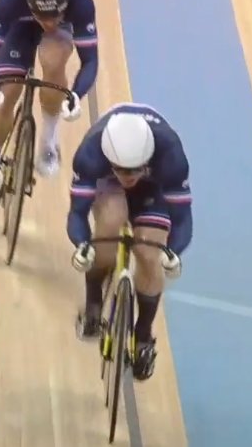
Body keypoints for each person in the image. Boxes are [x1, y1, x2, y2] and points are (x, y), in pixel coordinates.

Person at [67, 103, 193, 381]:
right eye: (123, 170)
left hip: (154, 187)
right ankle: (93, 303)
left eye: (135, 170)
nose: (129, 176)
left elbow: (183, 218)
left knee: (149, 252)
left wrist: (173, 253)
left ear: (147, 158)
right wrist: (82, 245)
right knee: (110, 224)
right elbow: (77, 213)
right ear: (110, 159)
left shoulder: (170, 153)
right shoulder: (91, 153)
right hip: (106, 184)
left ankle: (143, 335)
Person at [0, 0, 99, 211]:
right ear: (30, 5)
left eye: (56, 16)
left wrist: (76, 95)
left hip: (57, 31)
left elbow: (90, 60)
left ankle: (48, 140)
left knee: (54, 59)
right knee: (6, 94)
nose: (49, 23)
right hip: (18, 25)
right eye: (44, 18)